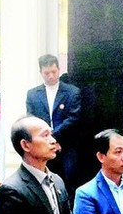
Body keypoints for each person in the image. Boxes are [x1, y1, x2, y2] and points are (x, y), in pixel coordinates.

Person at [26, 54, 82, 196]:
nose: (51, 76)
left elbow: (73, 118)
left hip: (66, 145)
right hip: (41, 146)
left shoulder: (72, 92)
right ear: (41, 73)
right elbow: (31, 119)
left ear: (59, 70)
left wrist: (54, 137)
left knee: (68, 183)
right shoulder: (32, 94)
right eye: (46, 73)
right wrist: (46, 139)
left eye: (54, 72)